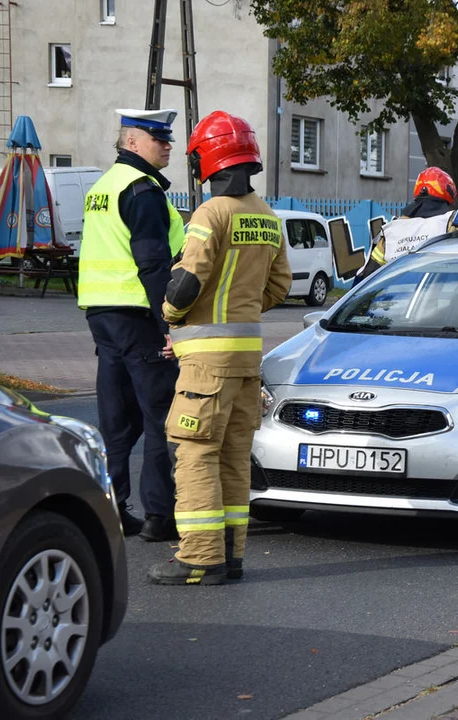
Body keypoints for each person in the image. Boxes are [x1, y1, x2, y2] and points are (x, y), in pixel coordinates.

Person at [148, 111, 291, 586]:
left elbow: (187, 282)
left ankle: (200, 558)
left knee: (194, 454)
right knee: (232, 458)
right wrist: (241, 309)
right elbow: (280, 287)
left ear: (207, 160)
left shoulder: (211, 213)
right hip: (248, 362)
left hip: (205, 367)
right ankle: (231, 557)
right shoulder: (267, 216)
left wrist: (172, 317)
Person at [77, 108, 186, 541]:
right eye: (159, 139)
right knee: (160, 415)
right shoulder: (141, 190)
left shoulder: (103, 186)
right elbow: (153, 263)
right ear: (133, 142)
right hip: (139, 314)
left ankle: (113, 510)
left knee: (117, 420)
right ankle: (160, 515)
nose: (168, 146)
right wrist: (169, 324)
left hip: (102, 316)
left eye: (168, 139)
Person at [359, 167, 456, 279]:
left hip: (396, 293)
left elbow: (371, 272)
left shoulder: (392, 229)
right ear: (448, 192)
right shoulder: (451, 224)